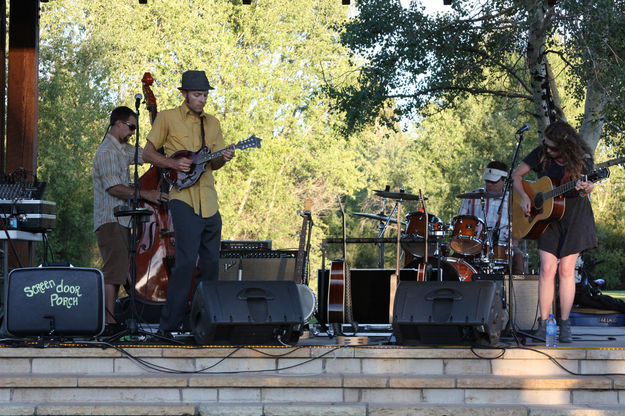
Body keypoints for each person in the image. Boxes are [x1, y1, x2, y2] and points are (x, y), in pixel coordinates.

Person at [142, 70, 235, 336]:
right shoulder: (167, 118)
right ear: (184, 94)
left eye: (205, 95)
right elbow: (148, 153)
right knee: (184, 264)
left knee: (210, 267)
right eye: (197, 94)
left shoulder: (213, 123)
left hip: (209, 200)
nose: (202, 99)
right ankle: (167, 327)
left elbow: (213, 164)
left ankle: (199, 324)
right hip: (183, 199)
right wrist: (173, 163)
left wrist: (224, 157)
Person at [512, 120, 597, 343]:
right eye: (546, 145)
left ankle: (565, 324)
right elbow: (516, 175)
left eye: (552, 147)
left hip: (575, 216)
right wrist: (524, 197)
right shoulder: (542, 154)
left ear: (565, 145)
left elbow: (588, 186)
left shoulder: (582, 159)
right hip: (548, 217)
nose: (548, 150)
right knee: (547, 269)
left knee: (566, 271)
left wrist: (587, 187)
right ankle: (543, 324)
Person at [93, 106, 165, 333]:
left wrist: (162, 145)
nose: (133, 132)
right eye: (131, 127)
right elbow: (114, 187)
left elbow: (145, 156)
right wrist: (146, 194)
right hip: (111, 220)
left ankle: (127, 317)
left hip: (123, 221)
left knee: (124, 269)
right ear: (118, 124)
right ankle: (108, 324)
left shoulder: (122, 149)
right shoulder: (106, 152)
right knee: (114, 271)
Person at [456, 161, 524, 273]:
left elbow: (522, 226)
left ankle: (517, 290)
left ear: (504, 181)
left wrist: (516, 239)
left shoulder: (514, 200)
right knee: (454, 263)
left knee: (518, 260)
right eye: (487, 181)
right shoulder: (472, 196)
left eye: (493, 181)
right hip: (474, 244)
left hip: (504, 245)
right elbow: (460, 222)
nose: (489, 184)